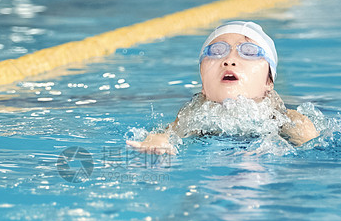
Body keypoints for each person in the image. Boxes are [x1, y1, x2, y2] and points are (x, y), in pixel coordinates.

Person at [126, 21, 318, 155]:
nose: (229, 61)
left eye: (249, 52)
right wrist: (156, 142)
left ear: (269, 81)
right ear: (203, 82)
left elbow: (314, 151)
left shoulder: (285, 119)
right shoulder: (192, 114)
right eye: (217, 52)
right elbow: (166, 134)